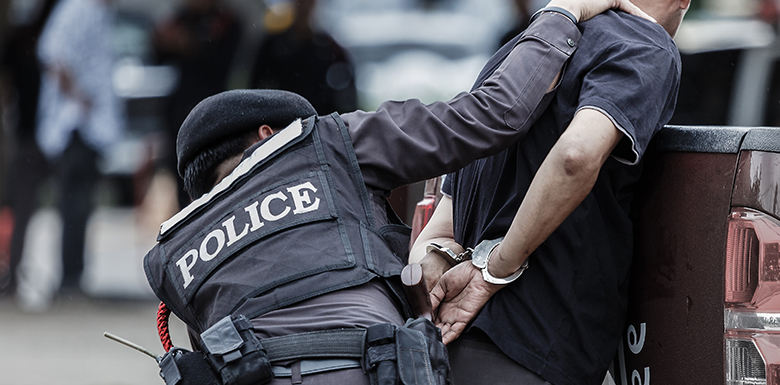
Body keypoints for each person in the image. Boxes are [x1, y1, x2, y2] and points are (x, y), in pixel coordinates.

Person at [143, 1, 653, 384]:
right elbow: (492, 116)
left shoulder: (175, 254)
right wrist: (563, 12)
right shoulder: (328, 145)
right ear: (270, 138)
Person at [409, 0, 688, 384]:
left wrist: (439, 272)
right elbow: (576, 156)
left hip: (445, 354)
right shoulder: (646, 45)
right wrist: (494, 270)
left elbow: (439, 233)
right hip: (536, 354)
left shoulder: (519, 50)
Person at [34, 0, 125, 296]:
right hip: (76, 125)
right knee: (74, 204)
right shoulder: (77, 8)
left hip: (91, 126)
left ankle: (76, 274)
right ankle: (69, 278)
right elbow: (55, 56)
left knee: (82, 205)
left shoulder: (100, 14)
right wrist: (78, 97)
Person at [153, 0, 242, 208]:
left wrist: (192, 46)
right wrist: (164, 42)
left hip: (213, 109)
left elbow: (224, 64)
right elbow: (158, 53)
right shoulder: (181, 18)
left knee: (214, 172)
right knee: (181, 174)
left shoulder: (226, 20)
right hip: (180, 109)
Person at [0, 0, 59, 296]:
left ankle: (13, 274)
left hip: (32, 134)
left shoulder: (33, 40)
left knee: (21, 206)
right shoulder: (46, 38)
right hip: (37, 133)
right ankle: (12, 274)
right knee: (23, 207)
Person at [249, 0, 357, 115]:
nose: (304, 6)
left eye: (308, 2)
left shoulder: (331, 50)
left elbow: (346, 100)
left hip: (320, 124)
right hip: (283, 122)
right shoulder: (273, 47)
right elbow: (256, 90)